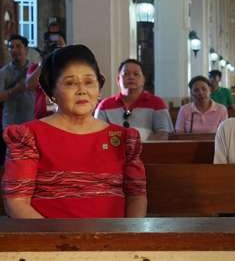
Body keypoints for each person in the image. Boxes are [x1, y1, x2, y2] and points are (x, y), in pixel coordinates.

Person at [1, 44, 147, 218]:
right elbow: (17, 203)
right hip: (49, 240)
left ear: (98, 88)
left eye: (89, 82)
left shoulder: (123, 138)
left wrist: (126, 239)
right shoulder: (28, 136)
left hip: (113, 240)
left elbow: (136, 197)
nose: (82, 91)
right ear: (51, 92)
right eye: (70, 83)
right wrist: (60, 242)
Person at [95, 59, 173, 141]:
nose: (131, 77)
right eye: (126, 74)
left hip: (148, 152)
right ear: (118, 80)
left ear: (143, 80)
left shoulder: (157, 104)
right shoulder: (104, 106)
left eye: (136, 74)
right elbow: (97, 135)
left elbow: (164, 133)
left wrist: (142, 149)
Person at [25, 32, 67, 119]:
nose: (54, 47)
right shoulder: (36, 67)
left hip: (64, 116)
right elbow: (29, 85)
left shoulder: (70, 67)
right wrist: (44, 63)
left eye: (58, 45)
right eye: (52, 44)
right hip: (42, 116)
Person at [0, 34, 36, 129]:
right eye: (11, 47)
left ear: (26, 49)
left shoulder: (34, 71)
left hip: (31, 123)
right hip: (11, 124)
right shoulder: (4, 72)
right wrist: (16, 90)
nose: (14, 50)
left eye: (18, 46)